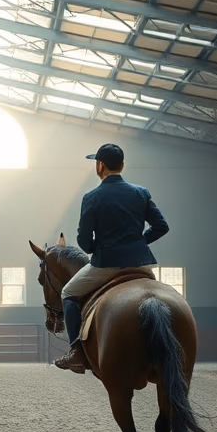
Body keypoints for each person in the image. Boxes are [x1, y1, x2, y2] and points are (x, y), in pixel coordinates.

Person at [53, 143, 169, 373]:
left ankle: (76, 352)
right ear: (122, 165)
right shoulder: (141, 193)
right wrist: (137, 242)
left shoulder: (92, 197)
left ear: (100, 165)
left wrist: (102, 246)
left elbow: (84, 241)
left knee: (68, 292)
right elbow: (161, 226)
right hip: (142, 265)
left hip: (106, 264)